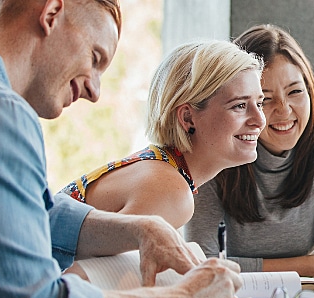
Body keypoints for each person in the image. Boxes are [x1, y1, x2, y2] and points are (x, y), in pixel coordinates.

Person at [0, 0, 243, 298]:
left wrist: (141, 228)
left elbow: (23, 214)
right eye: (95, 58)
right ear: (52, 13)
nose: (95, 92)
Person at [185, 24, 314, 277]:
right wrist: (312, 264)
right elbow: (202, 265)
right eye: (265, 99)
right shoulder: (214, 153)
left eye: (295, 91)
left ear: (311, 91)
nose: (284, 110)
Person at [60, 40, 266, 229]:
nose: (260, 120)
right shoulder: (170, 192)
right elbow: (84, 269)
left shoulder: (162, 168)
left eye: (259, 104)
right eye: (239, 106)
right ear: (187, 118)